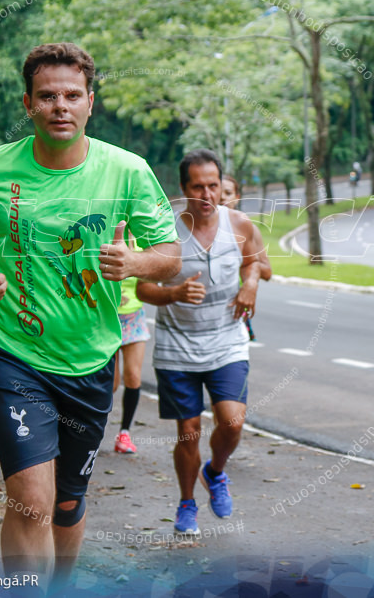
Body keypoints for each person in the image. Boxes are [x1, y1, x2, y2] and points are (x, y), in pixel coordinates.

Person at [0, 42, 180, 588]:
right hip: (11, 354)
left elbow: (170, 258)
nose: (60, 107)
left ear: (90, 102)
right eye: (47, 96)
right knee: (31, 500)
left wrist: (135, 260)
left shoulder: (128, 172)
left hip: (91, 359)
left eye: (72, 96)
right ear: (28, 103)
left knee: (68, 504)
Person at [137, 149, 265, 535]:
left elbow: (255, 260)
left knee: (232, 422)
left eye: (214, 186)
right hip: (177, 345)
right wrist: (173, 294)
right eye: (198, 187)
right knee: (188, 430)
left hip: (227, 340)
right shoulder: (165, 232)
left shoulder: (240, 224)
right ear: (183, 188)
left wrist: (251, 285)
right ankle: (187, 503)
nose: (207, 195)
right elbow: (143, 288)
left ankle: (215, 471)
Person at [219, 176, 272, 340]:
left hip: (235, 305)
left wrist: (248, 268)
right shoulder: (198, 227)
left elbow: (267, 272)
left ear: (236, 197)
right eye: (218, 191)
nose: (222, 197)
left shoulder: (247, 229)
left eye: (228, 193)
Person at [112, 237, 150, 455]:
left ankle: (124, 434)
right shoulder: (106, 236)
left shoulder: (141, 240)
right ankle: (90, 431)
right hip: (108, 319)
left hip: (134, 318)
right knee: (112, 384)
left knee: (133, 377)